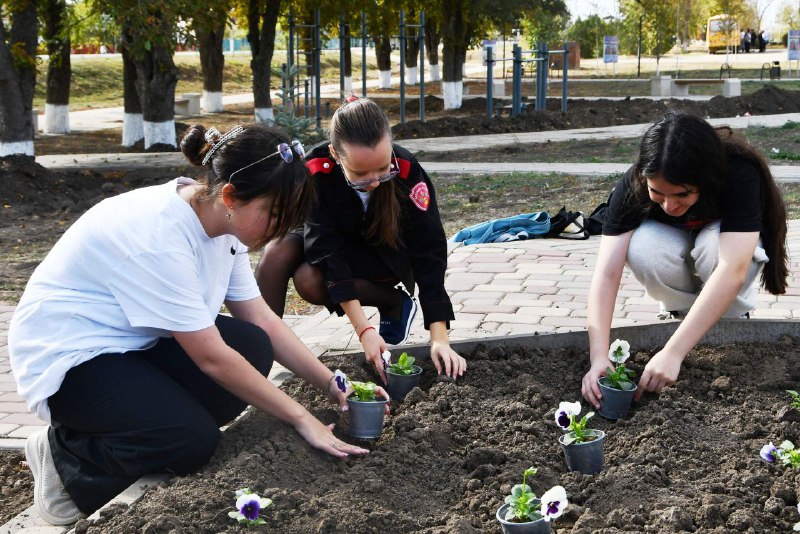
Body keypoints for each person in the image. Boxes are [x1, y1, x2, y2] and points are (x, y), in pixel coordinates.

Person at [9, 124, 377, 526]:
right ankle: (66, 460)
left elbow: (259, 318)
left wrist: (332, 383)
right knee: (191, 441)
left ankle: (146, 425)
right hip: (68, 360)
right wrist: (301, 418)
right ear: (231, 196)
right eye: (273, 215)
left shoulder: (224, 225)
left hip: (131, 343)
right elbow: (212, 359)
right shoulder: (161, 236)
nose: (277, 230)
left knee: (252, 347)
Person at [581, 112, 788, 408]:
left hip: (719, 245)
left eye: (682, 194)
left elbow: (733, 268)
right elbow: (606, 273)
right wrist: (599, 357)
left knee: (713, 247)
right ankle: (680, 315)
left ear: (705, 179)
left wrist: (673, 353)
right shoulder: (634, 183)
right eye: (657, 193)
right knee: (642, 246)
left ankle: (727, 320)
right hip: (673, 247)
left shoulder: (739, 172)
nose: (669, 205)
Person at [256, 97, 467, 384]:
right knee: (275, 253)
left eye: (382, 169)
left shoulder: (406, 169)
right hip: (334, 245)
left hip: (382, 255)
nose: (374, 181)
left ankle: (393, 301)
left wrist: (439, 337)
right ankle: (257, 356)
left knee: (309, 280)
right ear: (335, 153)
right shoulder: (317, 169)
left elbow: (429, 250)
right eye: (360, 174)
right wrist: (365, 330)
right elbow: (325, 248)